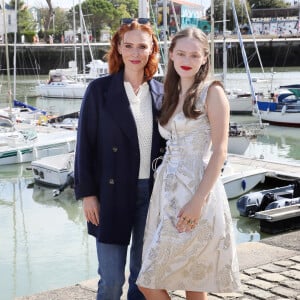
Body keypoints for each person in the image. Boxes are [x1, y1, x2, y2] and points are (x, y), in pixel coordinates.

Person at [137, 27, 241, 300]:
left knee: (166, 282)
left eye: (195, 55)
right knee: (187, 279)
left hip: (196, 189)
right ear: (170, 55)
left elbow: (219, 151)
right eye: (181, 53)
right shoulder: (169, 93)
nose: (187, 59)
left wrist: (198, 200)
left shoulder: (212, 92)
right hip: (166, 191)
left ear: (205, 58)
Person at [74, 18, 165, 300]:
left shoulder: (161, 91)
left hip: (152, 195)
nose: (135, 53)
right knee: (111, 281)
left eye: (142, 46)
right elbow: (84, 146)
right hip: (110, 193)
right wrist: (88, 194)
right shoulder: (99, 90)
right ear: (118, 48)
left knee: (142, 280)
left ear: (152, 50)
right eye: (129, 46)